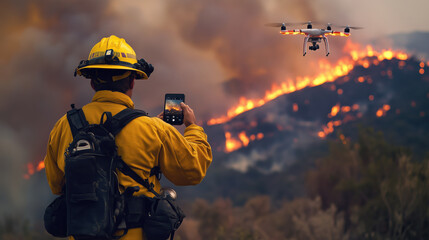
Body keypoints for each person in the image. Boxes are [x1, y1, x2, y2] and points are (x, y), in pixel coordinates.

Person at [44, 35, 213, 239]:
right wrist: (192, 127)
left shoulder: (64, 126)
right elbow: (192, 171)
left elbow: (56, 184)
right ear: (132, 81)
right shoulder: (153, 129)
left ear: (92, 83)